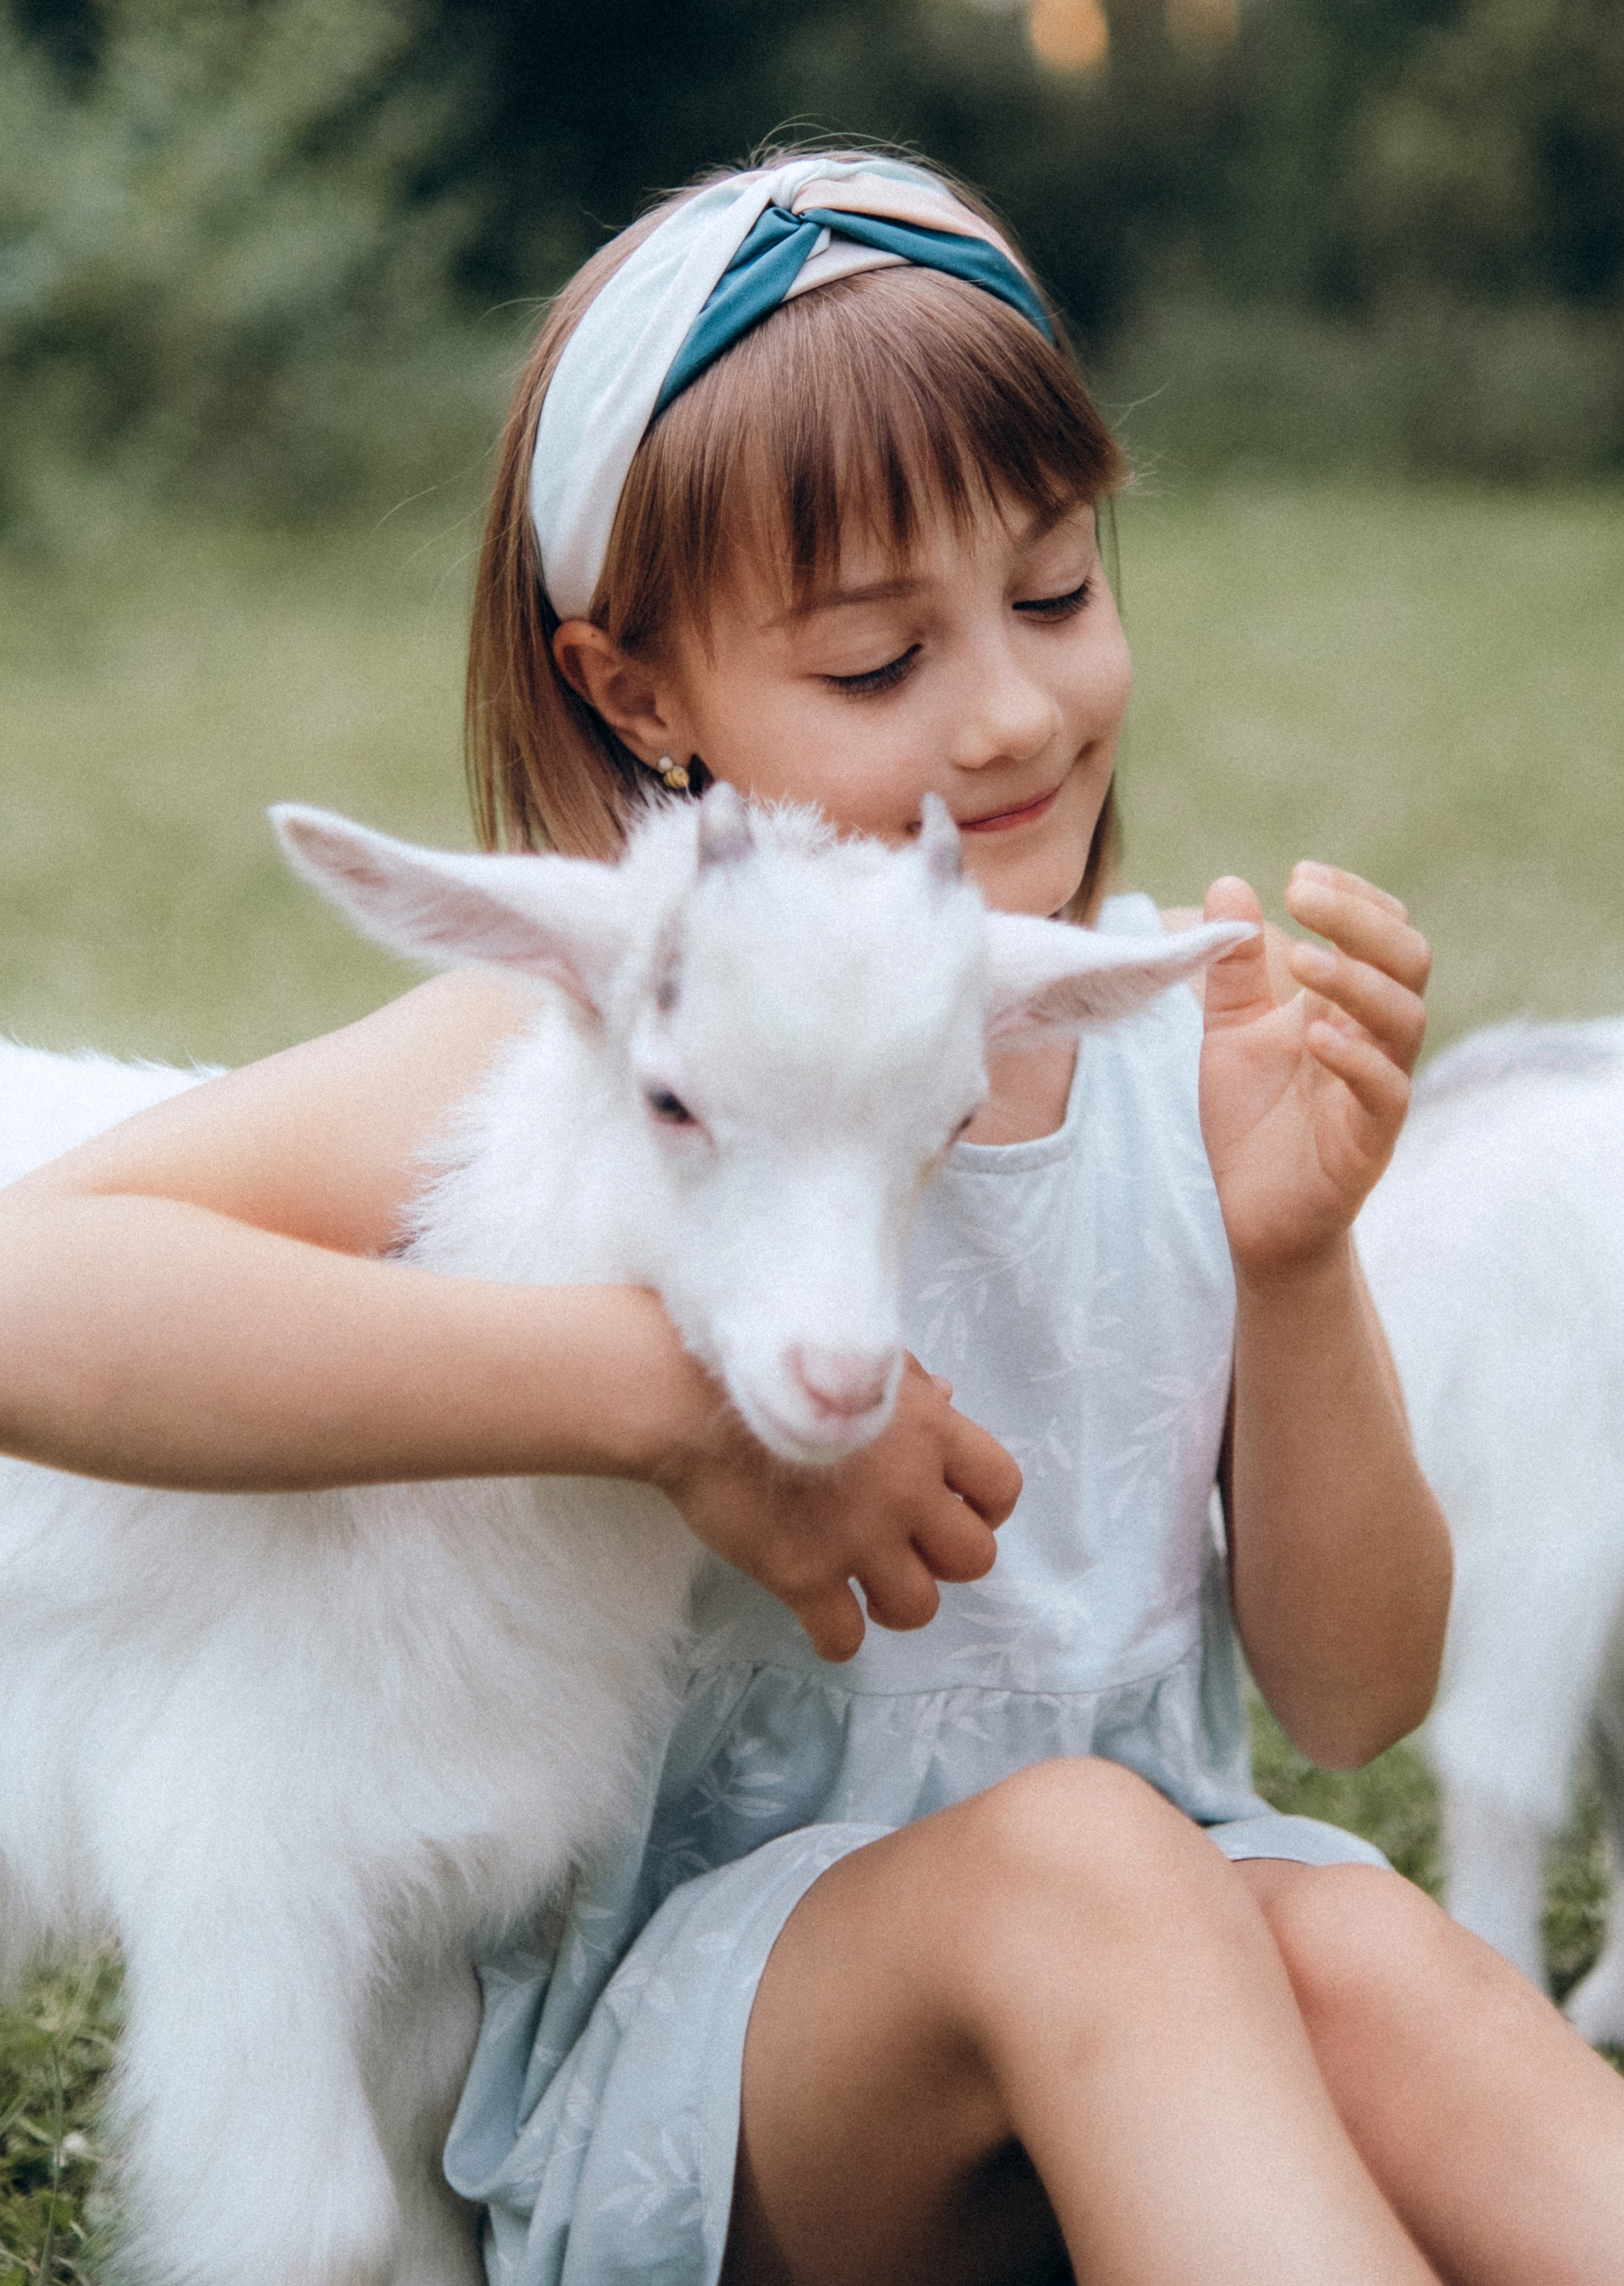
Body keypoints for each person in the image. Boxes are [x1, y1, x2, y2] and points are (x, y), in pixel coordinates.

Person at [1, 150, 1621, 2286]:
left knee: (1350, 1928)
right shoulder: (563, 1045)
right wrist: (662, 1403)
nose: (1016, 709)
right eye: (877, 663)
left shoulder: (1153, 1053)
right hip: (724, 2088)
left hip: (1179, 1984)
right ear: (636, 696)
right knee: (1090, 1867)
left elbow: (1351, 1695)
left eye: (1055, 594)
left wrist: (1297, 1256)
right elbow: (41, 1295)